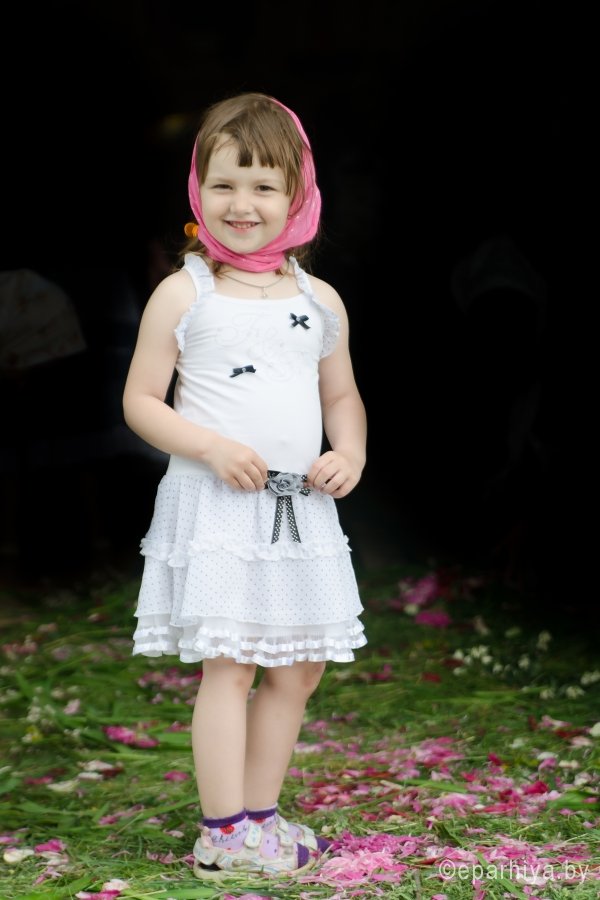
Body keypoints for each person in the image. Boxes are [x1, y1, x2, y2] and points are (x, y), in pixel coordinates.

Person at [122, 92, 368, 881]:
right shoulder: (185, 293)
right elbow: (140, 401)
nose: (242, 204)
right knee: (230, 663)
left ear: (299, 195)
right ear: (199, 188)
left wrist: (350, 450)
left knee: (298, 668)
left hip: (299, 505)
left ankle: (260, 816)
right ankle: (222, 831)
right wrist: (211, 447)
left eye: (264, 186)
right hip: (218, 506)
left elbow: (341, 395)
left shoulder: (318, 300)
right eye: (224, 183)